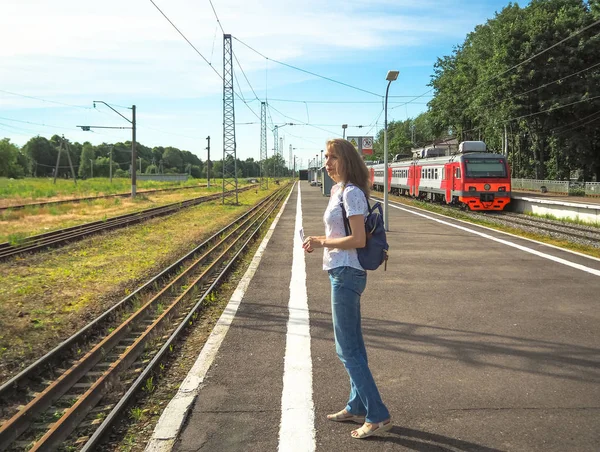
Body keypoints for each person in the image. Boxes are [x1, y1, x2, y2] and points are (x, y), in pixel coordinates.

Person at [302, 138, 392, 439]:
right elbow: (340, 233)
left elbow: (358, 240)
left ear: (347, 161)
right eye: (326, 157)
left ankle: (377, 414)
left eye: (333, 157)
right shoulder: (338, 191)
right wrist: (319, 240)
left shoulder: (352, 192)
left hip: (347, 273)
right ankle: (356, 406)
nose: (327, 163)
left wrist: (321, 242)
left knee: (346, 349)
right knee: (354, 345)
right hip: (339, 271)